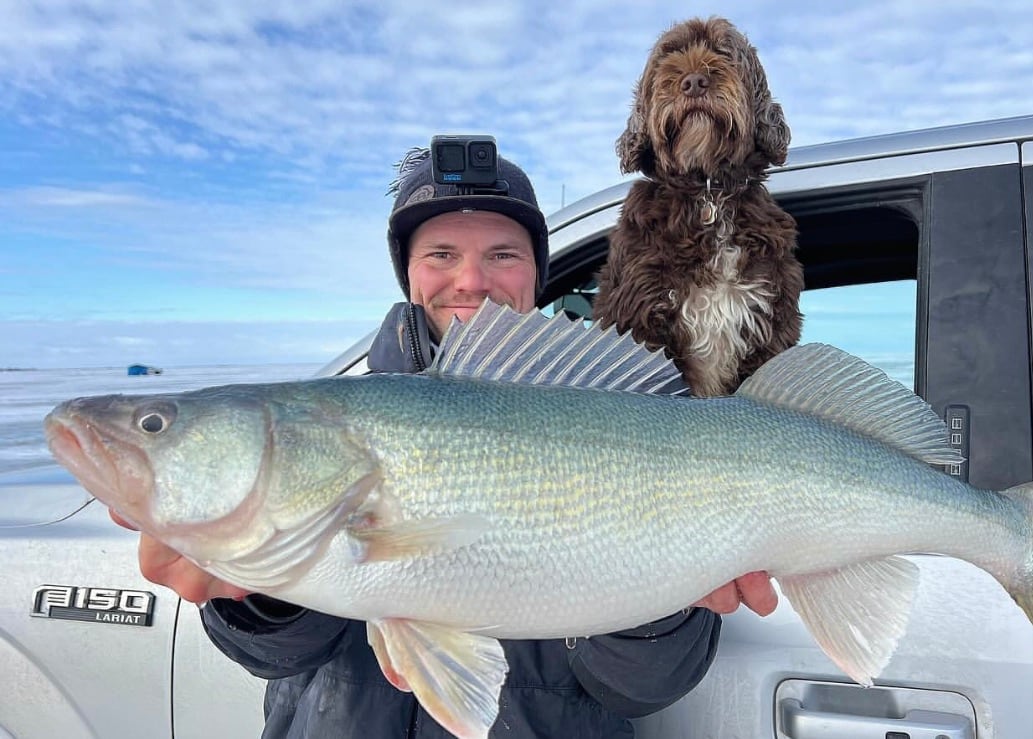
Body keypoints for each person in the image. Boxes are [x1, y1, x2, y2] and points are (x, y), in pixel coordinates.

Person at [114, 146, 778, 737]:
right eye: (440, 254)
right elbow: (274, 656)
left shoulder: (628, 418)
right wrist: (255, 590)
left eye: (502, 254)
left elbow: (638, 686)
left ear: (535, 273)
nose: (469, 280)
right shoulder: (319, 422)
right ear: (408, 272)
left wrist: (658, 606)